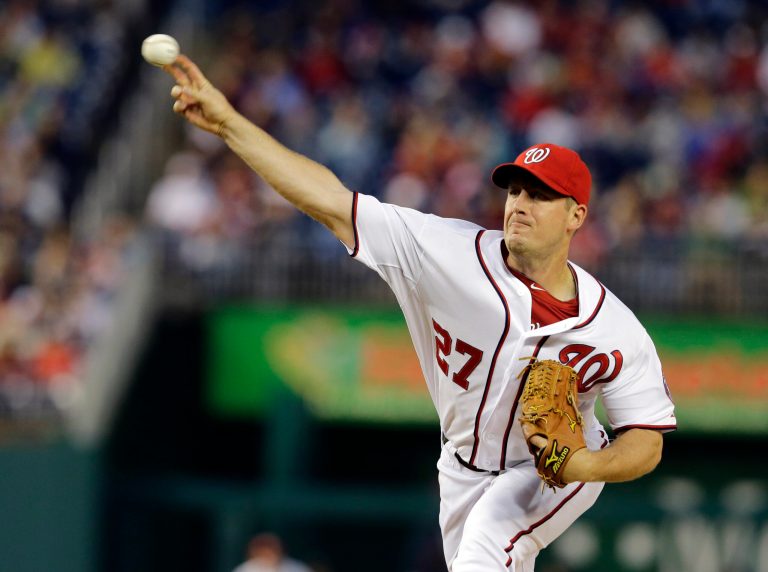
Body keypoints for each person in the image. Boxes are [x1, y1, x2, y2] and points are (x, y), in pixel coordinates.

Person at [163, 55, 676, 571]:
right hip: (459, 464)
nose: (520, 203)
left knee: (485, 546)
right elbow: (329, 200)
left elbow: (646, 440)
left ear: (576, 216)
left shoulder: (614, 328)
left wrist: (586, 463)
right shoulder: (444, 253)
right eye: (516, 190)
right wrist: (230, 124)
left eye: (541, 195)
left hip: (550, 468)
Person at [233, 533, 312, 572]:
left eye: (273, 549)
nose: (270, 553)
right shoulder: (247, 569)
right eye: (265, 551)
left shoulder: (297, 567)